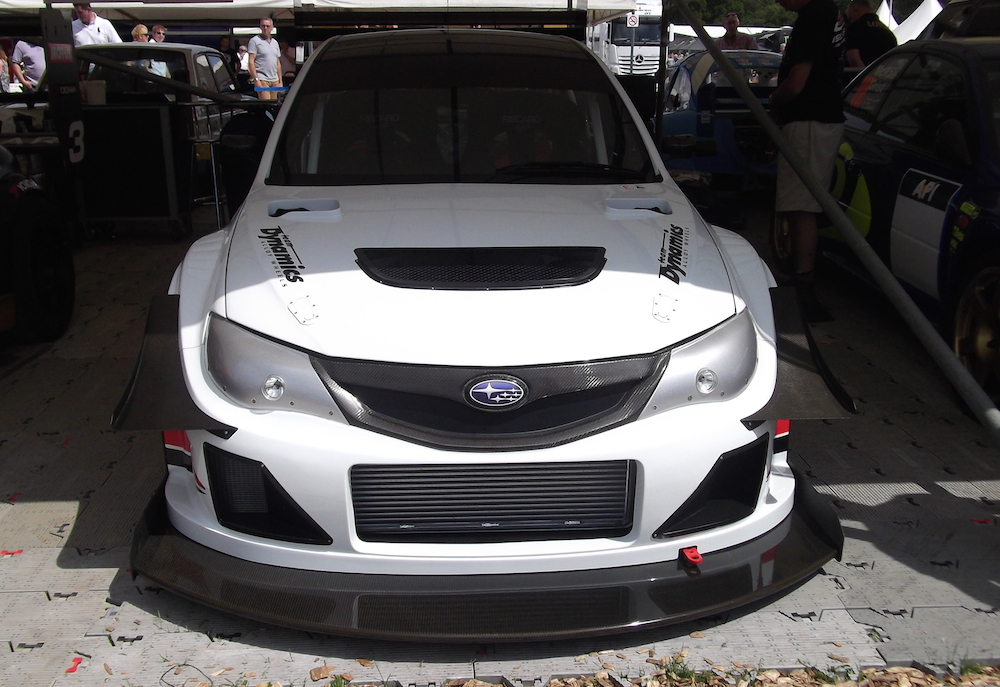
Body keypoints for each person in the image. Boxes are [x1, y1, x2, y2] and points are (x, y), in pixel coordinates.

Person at [770, 0, 845, 322]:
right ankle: (801, 281)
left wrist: (773, 99)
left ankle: (804, 289)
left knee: (802, 208)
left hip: (810, 121)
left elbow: (797, 82)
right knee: (800, 205)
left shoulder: (814, 15)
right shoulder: (828, 10)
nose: (777, 1)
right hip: (818, 118)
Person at [843, 0, 897, 68]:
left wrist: (865, 73)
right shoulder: (888, 32)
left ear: (855, 11)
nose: (850, 21)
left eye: (850, 18)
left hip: (862, 73)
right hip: (885, 72)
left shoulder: (855, 27)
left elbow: (854, 60)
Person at [248, 17, 281, 100]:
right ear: (260, 27)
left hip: (274, 79)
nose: (265, 28)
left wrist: (280, 80)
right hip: (262, 78)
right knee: (266, 104)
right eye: (263, 26)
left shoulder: (275, 42)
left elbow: (277, 63)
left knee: (274, 105)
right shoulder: (254, 41)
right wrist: (256, 79)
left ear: (272, 27)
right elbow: (251, 62)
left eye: (268, 26)